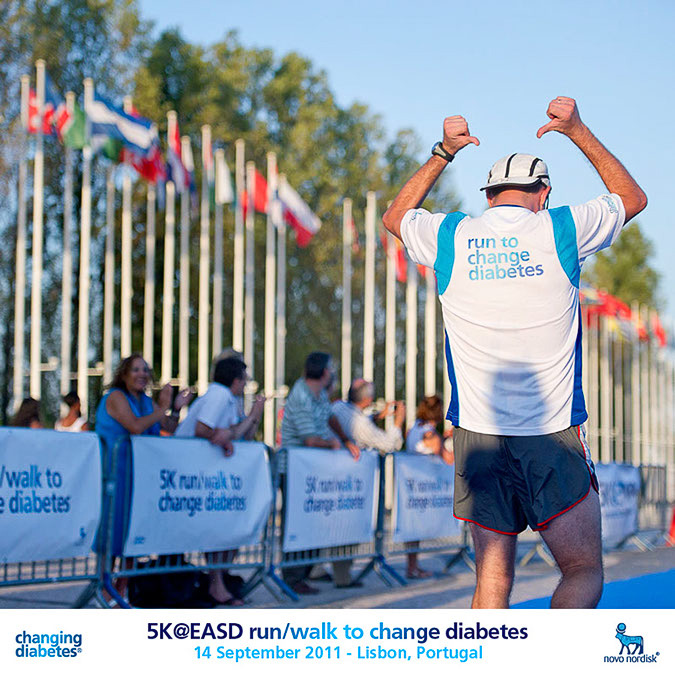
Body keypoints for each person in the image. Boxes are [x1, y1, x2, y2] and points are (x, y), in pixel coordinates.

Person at [382, 96, 647, 609]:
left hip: (477, 433)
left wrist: (443, 151)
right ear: (543, 193)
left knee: (491, 578)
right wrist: (576, 129)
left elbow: (396, 216)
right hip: (549, 429)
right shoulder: (560, 228)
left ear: (488, 197)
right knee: (582, 569)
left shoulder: (453, 234)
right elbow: (631, 198)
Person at [94, 354, 188, 597]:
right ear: (124, 374)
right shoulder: (115, 397)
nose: (142, 374)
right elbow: (135, 426)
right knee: (112, 533)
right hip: (116, 474)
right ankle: (103, 590)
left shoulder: (146, 402)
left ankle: (121, 591)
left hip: (139, 476)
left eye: (145, 370)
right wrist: (162, 408)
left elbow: (168, 427)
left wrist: (175, 408)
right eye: (136, 369)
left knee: (133, 533)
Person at [174, 356, 263, 606]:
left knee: (229, 528)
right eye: (244, 379)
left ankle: (218, 582)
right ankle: (216, 585)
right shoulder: (219, 396)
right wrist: (223, 437)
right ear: (236, 380)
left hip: (202, 474)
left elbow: (238, 434)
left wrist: (253, 417)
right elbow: (203, 430)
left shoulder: (228, 398)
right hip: (191, 474)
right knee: (217, 529)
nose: (245, 384)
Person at [280, 351, 360, 593]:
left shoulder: (319, 394)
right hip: (294, 470)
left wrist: (345, 440)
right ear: (324, 372)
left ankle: (304, 573)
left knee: (312, 521)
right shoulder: (301, 395)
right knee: (297, 523)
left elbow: (329, 417)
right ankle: (293, 577)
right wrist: (333, 444)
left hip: (311, 471)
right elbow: (310, 439)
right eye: (331, 368)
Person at [404, 395, 453, 580]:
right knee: (416, 527)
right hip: (425, 487)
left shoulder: (414, 427)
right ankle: (413, 568)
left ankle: (412, 566)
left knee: (412, 528)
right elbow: (448, 459)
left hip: (412, 484)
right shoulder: (431, 434)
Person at [331, 378, 405, 452]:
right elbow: (389, 444)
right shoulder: (361, 424)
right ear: (367, 399)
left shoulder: (337, 406)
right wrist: (399, 420)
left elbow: (352, 418)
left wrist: (378, 416)